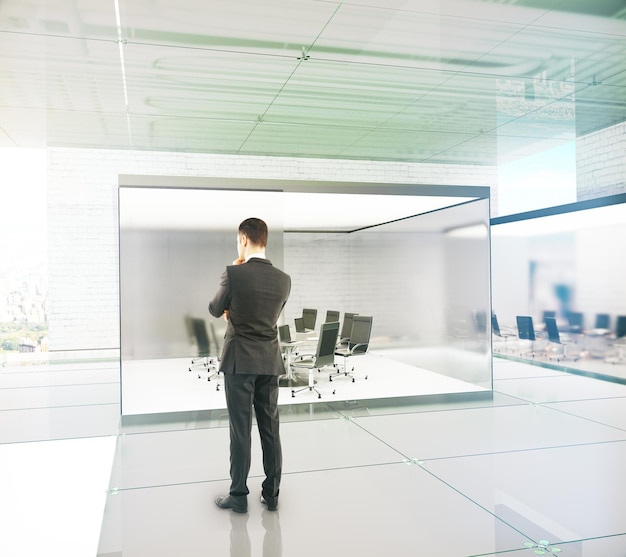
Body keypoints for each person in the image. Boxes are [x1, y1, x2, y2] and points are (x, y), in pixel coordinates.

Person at [209, 217, 291, 513]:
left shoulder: (234, 273)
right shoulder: (284, 280)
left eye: (238, 240)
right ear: (264, 240)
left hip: (239, 361)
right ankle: (271, 495)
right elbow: (269, 316)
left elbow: (215, 309)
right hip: (269, 361)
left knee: (240, 429)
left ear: (244, 239)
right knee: (270, 429)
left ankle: (239, 496)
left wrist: (232, 302)